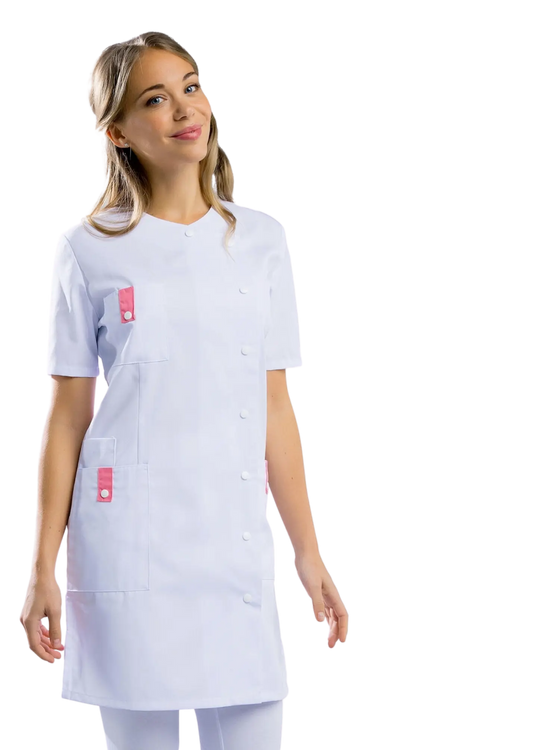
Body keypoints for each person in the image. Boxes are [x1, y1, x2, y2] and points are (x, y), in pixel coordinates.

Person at [19, 29, 352, 749]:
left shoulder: (262, 240)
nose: (183, 109)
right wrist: (41, 569)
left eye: (191, 87)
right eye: (154, 99)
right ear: (116, 132)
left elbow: (275, 406)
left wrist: (310, 555)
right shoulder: (85, 248)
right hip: (127, 545)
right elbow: (68, 415)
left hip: (233, 549)